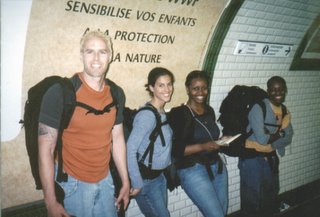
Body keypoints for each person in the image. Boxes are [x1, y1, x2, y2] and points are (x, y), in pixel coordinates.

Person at [38, 30, 130, 217]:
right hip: (72, 184)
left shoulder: (116, 93)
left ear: (110, 56)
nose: (96, 58)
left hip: (106, 181)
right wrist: (50, 202)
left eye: (102, 52)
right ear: (81, 55)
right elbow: (45, 150)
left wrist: (126, 182)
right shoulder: (60, 93)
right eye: (90, 51)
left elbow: (118, 139)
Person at [168, 70, 228, 217]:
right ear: (188, 89)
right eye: (195, 88)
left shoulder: (209, 110)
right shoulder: (179, 113)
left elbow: (209, 136)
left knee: (222, 211)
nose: (201, 92)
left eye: (204, 88)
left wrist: (222, 140)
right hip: (193, 169)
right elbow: (176, 150)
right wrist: (204, 146)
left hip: (217, 167)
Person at [238, 76, 294, 217]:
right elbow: (262, 139)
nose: (277, 93)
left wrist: (273, 142)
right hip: (251, 158)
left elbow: (288, 137)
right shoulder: (259, 108)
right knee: (252, 195)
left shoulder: (284, 111)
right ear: (268, 91)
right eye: (273, 90)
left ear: (285, 90)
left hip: (270, 157)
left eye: (281, 89)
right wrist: (278, 135)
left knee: (270, 192)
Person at [127, 67, 174, 217]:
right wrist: (137, 182)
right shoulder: (147, 116)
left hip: (159, 178)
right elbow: (130, 149)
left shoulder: (160, 112)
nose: (167, 89)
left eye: (169, 84)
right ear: (151, 88)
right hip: (146, 181)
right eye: (161, 85)